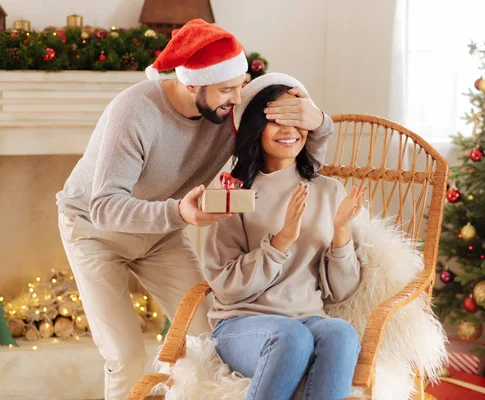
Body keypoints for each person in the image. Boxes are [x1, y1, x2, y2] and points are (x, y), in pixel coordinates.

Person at [55, 21, 333, 399]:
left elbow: (294, 156)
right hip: (94, 232)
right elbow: (103, 207)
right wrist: (180, 214)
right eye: (226, 89)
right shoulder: (134, 112)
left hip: (161, 236)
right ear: (191, 84)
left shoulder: (227, 112)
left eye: (240, 85)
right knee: (126, 356)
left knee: (208, 339)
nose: (237, 99)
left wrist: (316, 120)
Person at [203, 73, 366, 400]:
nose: (290, 130)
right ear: (254, 128)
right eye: (276, 120)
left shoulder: (328, 191)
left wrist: (341, 233)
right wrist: (281, 242)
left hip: (308, 318)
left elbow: (341, 292)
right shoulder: (232, 193)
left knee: (341, 333)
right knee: (291, 336)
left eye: (296, 118)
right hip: (242, 324)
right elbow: (226, 285)